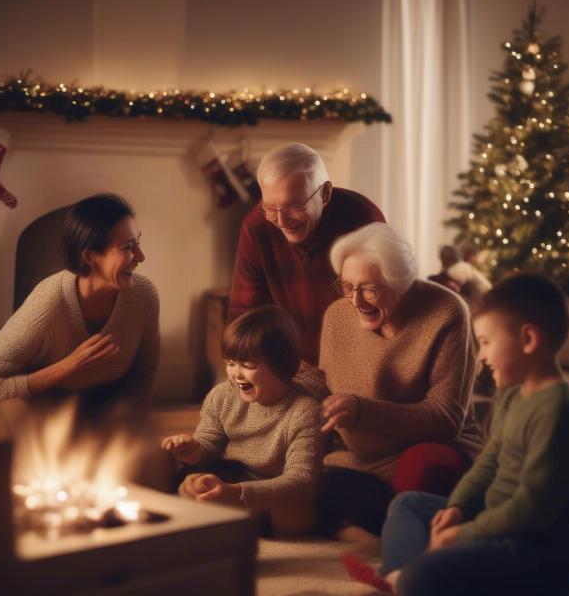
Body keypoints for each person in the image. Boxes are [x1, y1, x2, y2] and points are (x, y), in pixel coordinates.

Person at [343, 273, 569, 596]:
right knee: (409, 506)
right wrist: (457, 509)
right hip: (496, 522)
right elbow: (488, 464)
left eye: (487, 342)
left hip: (538, 551)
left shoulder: (560, 411)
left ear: (528, 340)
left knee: (426, 576)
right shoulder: (515, 396)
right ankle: (401, 578)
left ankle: (410, 578)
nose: (483, 356)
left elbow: (531, 510)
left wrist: (463, 535)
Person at [318, 222, 483, 536]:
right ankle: (388, 524)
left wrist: (363, 411)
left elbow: (446, 418)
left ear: (401, 283)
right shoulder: (337, 316)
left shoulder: (447, 312)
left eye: (369, 288)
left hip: (432, 446)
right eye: (347, 286)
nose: (356, 301)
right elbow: (324, 387)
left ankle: (376, 526)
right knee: (304, 480)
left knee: (424, 471)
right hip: (360, 458)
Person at [0, 194, 159, 420]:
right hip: (41, 422)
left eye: (138, 242)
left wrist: (120, 421)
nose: (140, 256)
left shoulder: (144, 296)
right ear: (90, 256)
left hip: (104, 419)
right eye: (128, 247)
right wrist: (65, 368)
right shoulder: (48, 302)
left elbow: (142, 378)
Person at [161, 305, 323, 536]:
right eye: (230, 363)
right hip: (231, 475)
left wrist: (237, 494)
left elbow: (301, 481)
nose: (236, 374)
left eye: (248, 366)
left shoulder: (305, 411)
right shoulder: (222, 395)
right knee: (188, 482)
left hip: (273, 489)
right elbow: (209, 443)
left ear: (280, 366)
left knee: (291, 518)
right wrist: (193, 449)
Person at [228, 142, 384, 365]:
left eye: (294, 207)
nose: (281, 222)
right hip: (295, 364)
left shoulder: (362, 219)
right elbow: (246, 317)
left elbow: (380, 309)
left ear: (325, 194)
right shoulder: (257, 227)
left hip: (360, 359)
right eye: (270, 209)